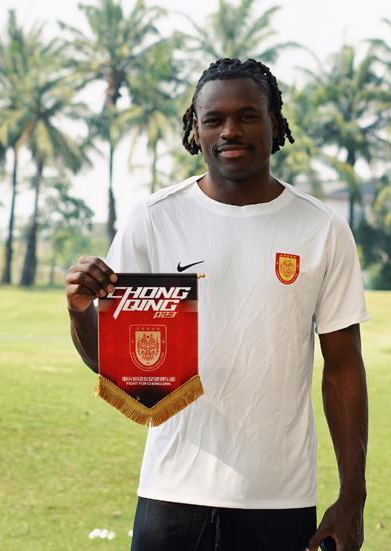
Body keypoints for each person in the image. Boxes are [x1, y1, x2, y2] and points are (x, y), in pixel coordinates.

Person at [65, 58, 369, 551]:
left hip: (280, 498)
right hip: (171, 493)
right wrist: (80, 311)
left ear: (275, 123)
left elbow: (343, 368)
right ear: (196, 129)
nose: (231, 131)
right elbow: (113, 364)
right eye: (214, 119)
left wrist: (353, 497)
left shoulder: (322, 228)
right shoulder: (154, 220)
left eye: (247, 116)